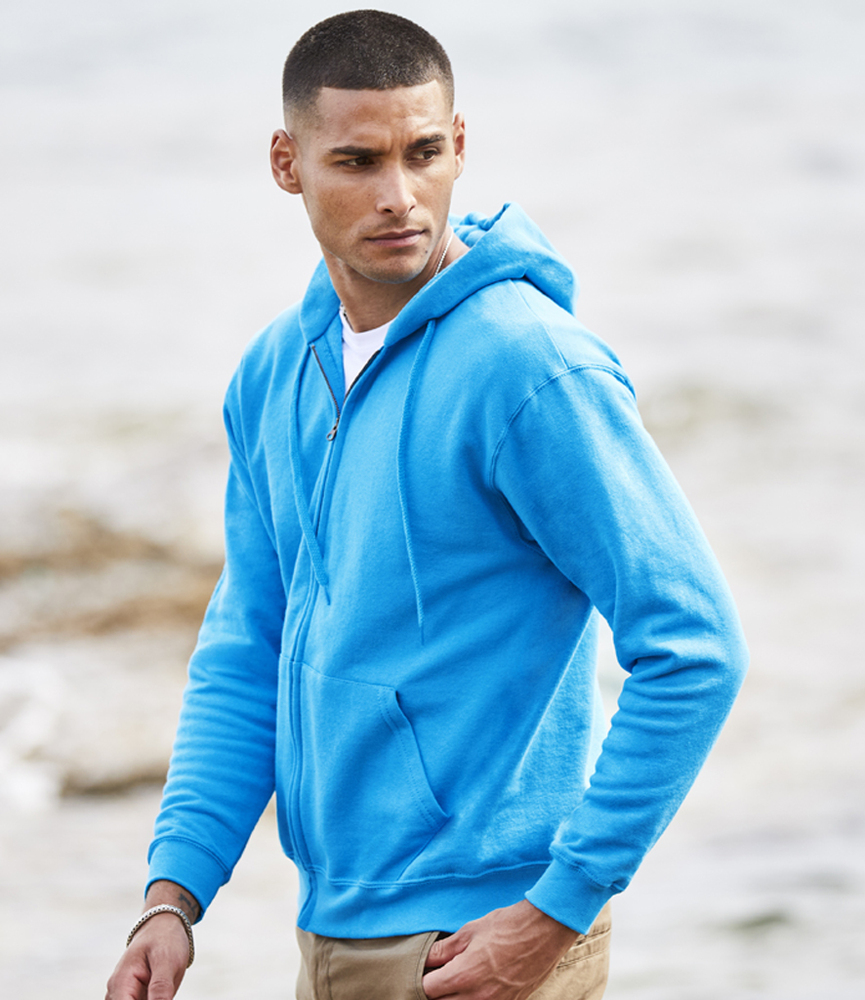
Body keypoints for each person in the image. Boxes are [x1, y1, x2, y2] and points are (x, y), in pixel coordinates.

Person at [105, 10, 748, 1000]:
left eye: (424, 153)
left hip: (486, 940)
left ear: (460, 146)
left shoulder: (530, 370)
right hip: (334, 924)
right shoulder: (276, 374)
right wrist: (174, 893)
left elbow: (693, 645)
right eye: (357, 161)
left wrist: (558, 907)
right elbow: (247, 646)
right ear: (287, 163)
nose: (399, 196)